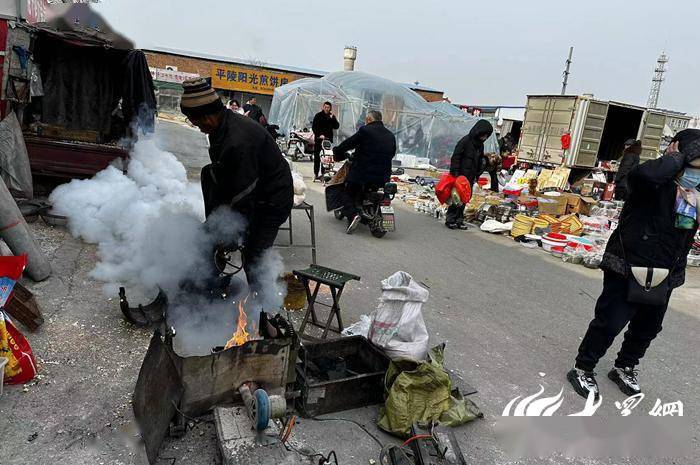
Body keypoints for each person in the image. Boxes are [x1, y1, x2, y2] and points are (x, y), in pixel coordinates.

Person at [568, 129, 700, 400]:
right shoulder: (651, 181)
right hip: (628, 263)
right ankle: (583, 368)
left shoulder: (695, 193)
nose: (694, 171)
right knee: (610, 322)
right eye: (692, 164)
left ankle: (625, 366)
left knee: (648, 327)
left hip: (667, 270)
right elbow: (642, 176)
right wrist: (680, 156)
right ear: (675, 152)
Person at [179, 78, 293, 291]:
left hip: (271, 199)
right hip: (251, 187)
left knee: (254, 256)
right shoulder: (220, 127)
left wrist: (230, 231)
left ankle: (264, 312)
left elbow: (243, 194)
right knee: (208, 176)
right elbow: (224, 176)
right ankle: (205, 286)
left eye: (199, 123)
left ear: (209, 115)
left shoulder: (239, 139)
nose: (199, 128)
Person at [332, 110, 396, 234]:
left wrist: (337, 150)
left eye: (366, 120)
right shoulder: (390, 135)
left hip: (363, 174)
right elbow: (392, 153)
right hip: (383, 176)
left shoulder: (365, 131)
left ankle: (353, 215)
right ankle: (384, 221)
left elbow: (348, 143)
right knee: (385, 197)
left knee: (347, 193)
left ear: (368, 120)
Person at [445, 120, 493, 229]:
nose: (485, 138)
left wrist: (478, 174)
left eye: (486, 136)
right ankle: (450, 219)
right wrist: (455, 174)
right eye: (483, 135)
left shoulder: (480, 145)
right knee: (456, 198)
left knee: (466, 198)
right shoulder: (465, 141)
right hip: (460, 176)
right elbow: (456, 157)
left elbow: (479, 160)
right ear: (478, 132)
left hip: (470, 176)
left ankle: (459, 219)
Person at [311, 102, 340, 181]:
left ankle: (323, 174)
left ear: (330, 108)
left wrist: (333, 118)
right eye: (325, 107)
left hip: (328, 140)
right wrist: (319, 135)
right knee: (317, 157)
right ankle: (316, 173)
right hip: (319, 139)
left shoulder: (331, 116)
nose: (327, 109)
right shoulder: (318, 116)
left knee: (326, 157)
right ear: (323, 107)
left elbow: (336, 126)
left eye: (328, 107)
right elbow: (314, 127)